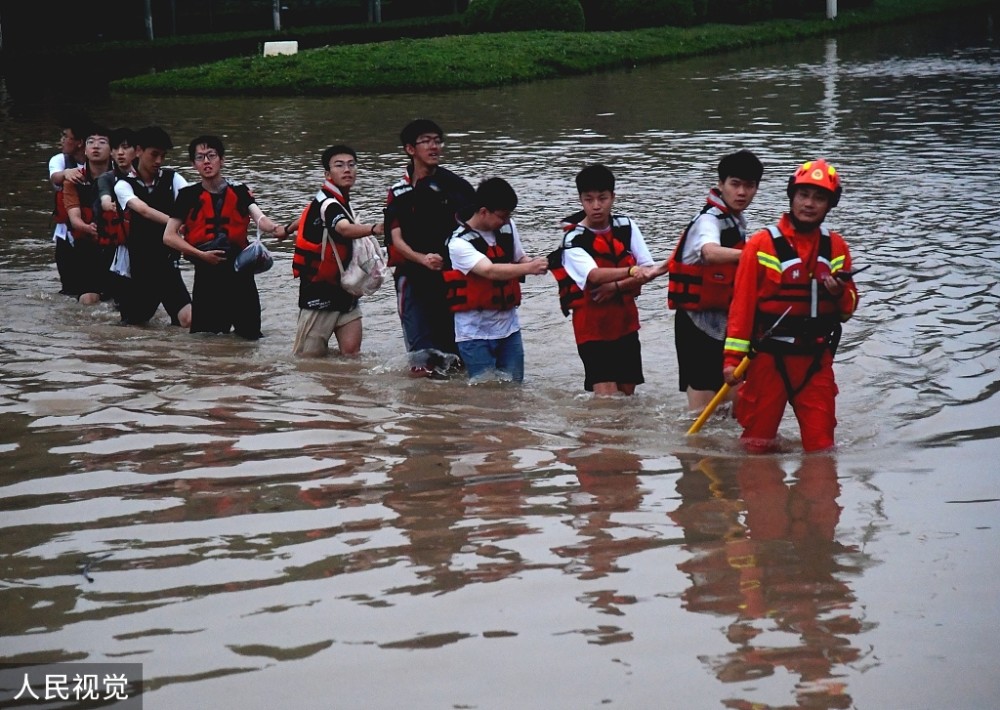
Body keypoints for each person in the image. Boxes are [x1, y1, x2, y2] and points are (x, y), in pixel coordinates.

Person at [723, 159, 859, 452]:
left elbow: (847, 311)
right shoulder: (760, 244)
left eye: (819, 197)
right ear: (792, 196)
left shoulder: (837, 248)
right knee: (756, 446)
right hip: (768, 361)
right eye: (803, 195)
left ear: (830, 204)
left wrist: (838, 294)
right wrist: (732, 359)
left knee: (822, 449)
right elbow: (742, 307)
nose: (809, 204)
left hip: (815, 361)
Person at [550, 164, 664, 395]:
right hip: (592, 328)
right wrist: (631, 272)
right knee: (607, 398)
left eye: (602, 198)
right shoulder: (573, 239)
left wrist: (616, 287)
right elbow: (594, 275)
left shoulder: (626, 226)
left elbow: (649, 269)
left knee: (627, 395)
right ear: (581, 200)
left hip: (625, 323)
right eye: (589, 199)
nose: (596, 206)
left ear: (613, 197)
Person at [162, 135, 288, 339]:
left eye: (211, 155)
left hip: (240, 272)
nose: (206, 162)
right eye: (200, 157)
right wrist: (200, 255)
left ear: (222, 160)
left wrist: (276, 228)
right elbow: (169, 236)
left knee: (250, 338)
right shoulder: (187, 196)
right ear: (194, 164)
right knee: (207, 340)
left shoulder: (240, 191)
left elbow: (260, 218)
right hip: (207, 275)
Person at [667, 149, 764, 411]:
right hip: (695, 325)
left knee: (735, 410)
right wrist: (759, 256)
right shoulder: (709, 220)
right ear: (721, 185)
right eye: (735, 184)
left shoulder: (735, 221)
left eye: (749, 186)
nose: (741, 192)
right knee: (702, 412)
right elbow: (708, 252)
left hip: (725, 325)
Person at [384, 118, 475, 377]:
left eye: (437, 141)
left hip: (449, 277)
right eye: (426, 141)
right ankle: (422, 411)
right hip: (412, 277)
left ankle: (447, 412)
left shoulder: (456, 187)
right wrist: (421, 259)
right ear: (410, 149)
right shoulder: (399, 191)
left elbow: (476, 228)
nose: (434, 147)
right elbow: (395, 238)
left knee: (455, 355)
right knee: (421, 356)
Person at [443, 177, 549, 382]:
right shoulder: (458, 243)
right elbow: (489, 270)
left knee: (514, 389)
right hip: (474, 334)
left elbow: (519, 258)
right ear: (483, 212)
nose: (507, 221)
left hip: (509, 330)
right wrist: (529, 267)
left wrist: (537, 263)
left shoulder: (507, 228)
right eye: (502, 216)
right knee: (486, 395)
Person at [291, 144, 385, 357]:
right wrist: (374, 228)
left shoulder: (336, 201)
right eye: (339, 165)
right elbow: (342, 228)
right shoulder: (329, 204)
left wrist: (284, 229)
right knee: (308, 363)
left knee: (352, 358)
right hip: (318, 297)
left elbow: (307, 218)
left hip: (346, 295)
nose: (347, 170)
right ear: (327, 173)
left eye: (351, 165)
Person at [114, 126, 193, 327]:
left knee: (188, 320)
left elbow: (193, 200)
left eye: (163, 156)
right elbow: (143, 210)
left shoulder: (173, 179)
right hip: (139, 269)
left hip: (168, 264)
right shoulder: (123, 185)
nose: (159, 161)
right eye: (154, 154)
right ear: (139, 151)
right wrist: (175, 223)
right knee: (134, 328)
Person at [63, 124, 122, 305]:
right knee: (88, 299)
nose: (96, 146)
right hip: (86, 245)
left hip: (118, 248)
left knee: (119, 302)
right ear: (85, 150)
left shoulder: (123, 179)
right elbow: (74, 218)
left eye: (102, 142)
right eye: (91, 142)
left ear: (112, 151)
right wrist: (88, 228)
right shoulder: (73, 180)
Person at [48, 116, 88, 296]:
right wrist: (66, 173)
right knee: (69, 288)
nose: (61, 140)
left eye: (66, 136)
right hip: (66, 233)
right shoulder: (60, 160)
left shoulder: (99, 165)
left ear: (79, 142)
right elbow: (55, 177)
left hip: (93, 232)